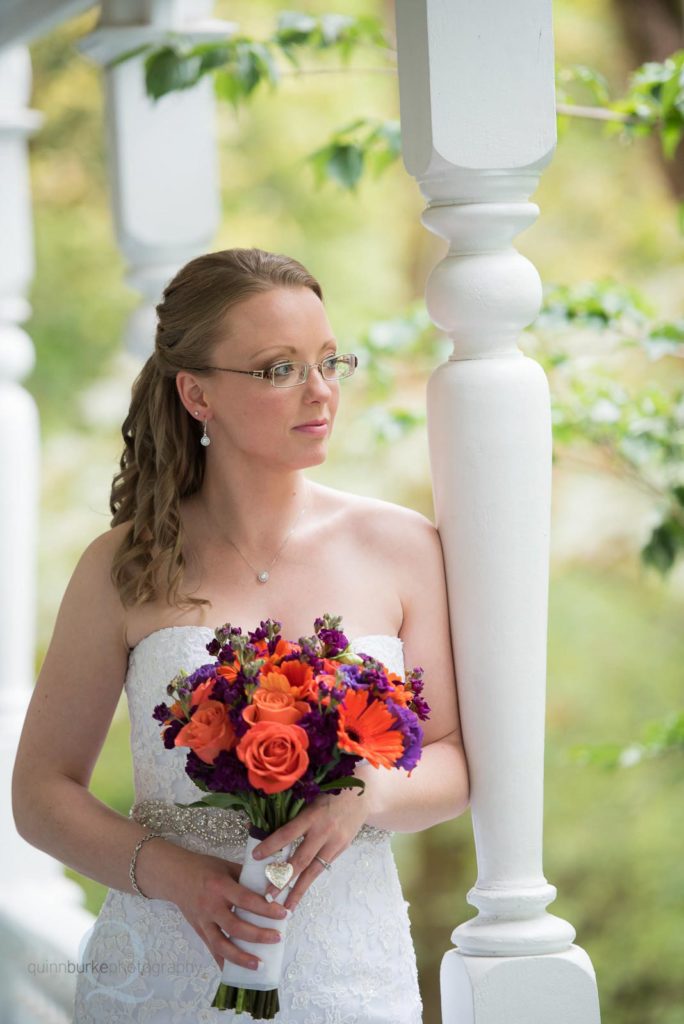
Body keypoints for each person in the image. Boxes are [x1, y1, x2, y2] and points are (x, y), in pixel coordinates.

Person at [12, 247, 470, 1023]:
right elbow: (40, 793)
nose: (320, 392)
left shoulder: (403, 547)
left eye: (330, 361)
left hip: (348, 979)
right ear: (196, 393)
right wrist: (173, 875)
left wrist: (367, 791)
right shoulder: (124, 564)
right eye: (278, 369)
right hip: (158, 977)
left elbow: (454, 756)